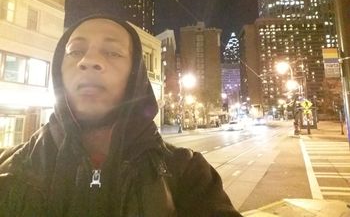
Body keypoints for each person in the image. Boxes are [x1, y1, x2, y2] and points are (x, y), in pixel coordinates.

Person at [0, 15, 242, 217]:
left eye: (113, 53)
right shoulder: (9, 169)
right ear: (58, 72)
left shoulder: (189, 174)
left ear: (136, 77)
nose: (89, 61)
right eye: (75, 51)